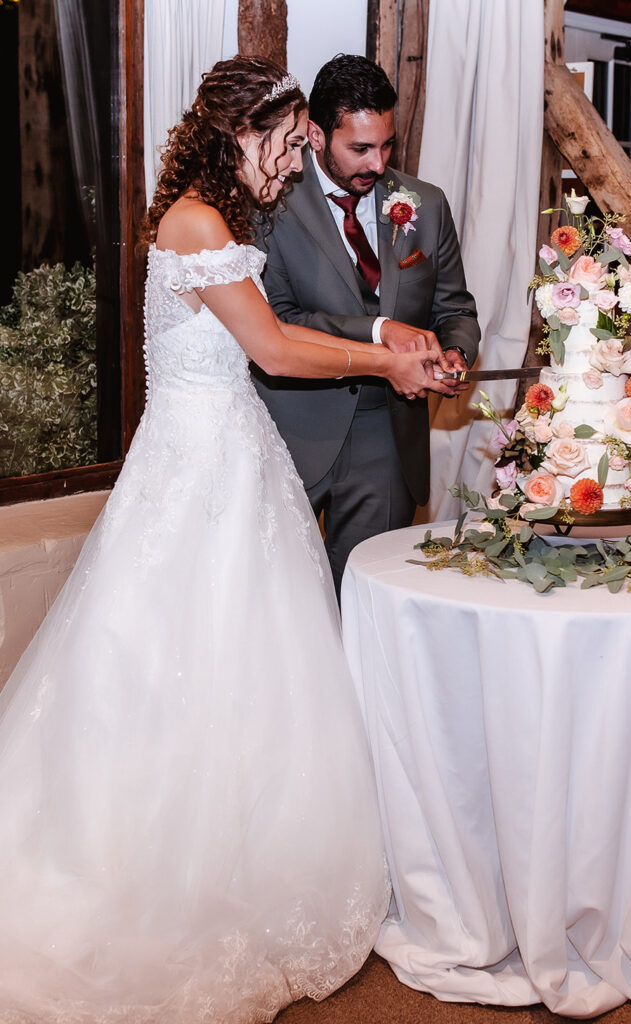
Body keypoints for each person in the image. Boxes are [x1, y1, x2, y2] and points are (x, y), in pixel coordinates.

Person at [0, 56, 454, 1023]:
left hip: (231, 460)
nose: (294, 165)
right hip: (196, 472)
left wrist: (388, 350)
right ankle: (166, 876)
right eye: (288, 145)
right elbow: (278, 349)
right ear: (238, 135)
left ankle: (253, 857)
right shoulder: (198, 223)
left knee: (256, 673)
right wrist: (386, 358)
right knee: (185, 667)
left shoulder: (218, 216)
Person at [253, 54, 480, 595]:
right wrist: (381, 334)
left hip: (388, 431)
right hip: (292, 425)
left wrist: (454, 355)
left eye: (386, 145)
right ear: (315, 134)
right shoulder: (270, 203)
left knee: (365, 600)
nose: (378, 164)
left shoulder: (425, 203)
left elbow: (456, 310)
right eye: (359, 148)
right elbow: (279, 319)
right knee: (282, 602)